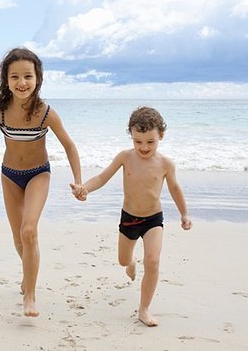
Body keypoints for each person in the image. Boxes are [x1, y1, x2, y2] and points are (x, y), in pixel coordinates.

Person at [0, 47, 82, 317]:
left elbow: (69, 145)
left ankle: (30, 295)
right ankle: (28, 274)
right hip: (9, 176)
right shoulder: (0, 113)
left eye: (28, 76)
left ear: (38, 79)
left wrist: (78, 181)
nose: (22, 82)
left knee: (29, 231)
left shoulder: (46, 113)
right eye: (15, 77)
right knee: (19, 239)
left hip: (38, 174)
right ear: (6, 80)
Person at [70, 106, 192, 327]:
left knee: (153, 261)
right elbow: (101, 177)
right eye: (138, 142)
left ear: (161, 136)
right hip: (129, 218)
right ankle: (131, 263)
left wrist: (184, 214)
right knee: (123, 260)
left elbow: (175, 188)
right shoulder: (125, 157)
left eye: (150, 142)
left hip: (153, 219)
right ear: (131, 136)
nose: (144, 147)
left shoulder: (166, 164)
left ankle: (144, 309)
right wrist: (84, 188)